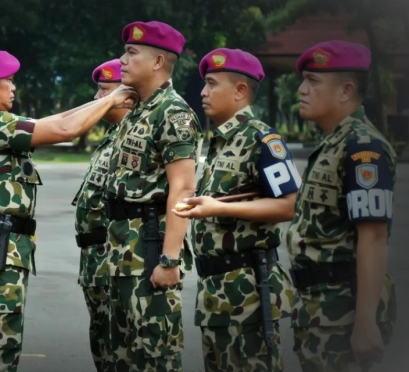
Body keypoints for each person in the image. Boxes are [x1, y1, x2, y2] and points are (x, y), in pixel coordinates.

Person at [0, 48, 137, 371]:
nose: (13, 88)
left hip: (2, 247)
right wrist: (110, 99)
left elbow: (56, 121)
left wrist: (104, 101)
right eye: (7, 81)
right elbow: (65, 130)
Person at [173, 48, 300, 372]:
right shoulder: (222, 141)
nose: (203, 92)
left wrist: (215, 207)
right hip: (216, 293)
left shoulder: (262, 140)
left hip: (249, 291)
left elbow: (290, 204)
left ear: (240, 90)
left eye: (212, 84)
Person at [287, 40, 397, 372]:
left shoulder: (364, 147)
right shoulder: (334, 142)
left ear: (346, 90)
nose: (302, 90)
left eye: (313, 81)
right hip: (319, 308)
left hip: (344, 310)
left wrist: (365, 321)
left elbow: (374, 237)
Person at [104, 21, 202, 371]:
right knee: (124, 356)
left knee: (155, 355)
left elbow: (183, 188)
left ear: (158, 62)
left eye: (131, 53)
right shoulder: (138, 110)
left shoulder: (172, 113)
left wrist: (169, 259)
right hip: (122, 251)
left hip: (149, 247)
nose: (122, 60)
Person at [71, 59, 129, 372]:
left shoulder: (137, 140)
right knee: (103, 342)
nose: (96, 98)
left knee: (121, 348)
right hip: (94, 261)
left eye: (104, 90)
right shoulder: (109, 139)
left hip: (115, 259)